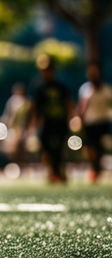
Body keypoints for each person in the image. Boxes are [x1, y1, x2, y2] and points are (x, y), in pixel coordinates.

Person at [31, 54, 75, 183]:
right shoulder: (38, 87)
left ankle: (59, 171)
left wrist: (73, 118)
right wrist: (34, 122)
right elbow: (34, 106)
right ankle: (52, 171)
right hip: (46, 122)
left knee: (60, 148)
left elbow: (68, 103)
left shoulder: (61, 86)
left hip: (60, 121)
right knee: (46, 147)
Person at [77, 63, 112, 183]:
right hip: (90, 122)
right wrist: (79, 120)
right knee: (91, 147)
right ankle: (93, 168)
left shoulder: (106, 89)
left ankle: (98, 169)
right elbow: (82, 107)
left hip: (103, 122)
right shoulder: (85, 89)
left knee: (100, 147)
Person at [2, 82, 32, 164]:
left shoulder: (26, 102)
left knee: (21, 148)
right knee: (14, 148)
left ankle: (20, 164)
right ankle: (16, 164)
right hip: (15, 128)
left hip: (22, 128)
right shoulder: (13, 101)